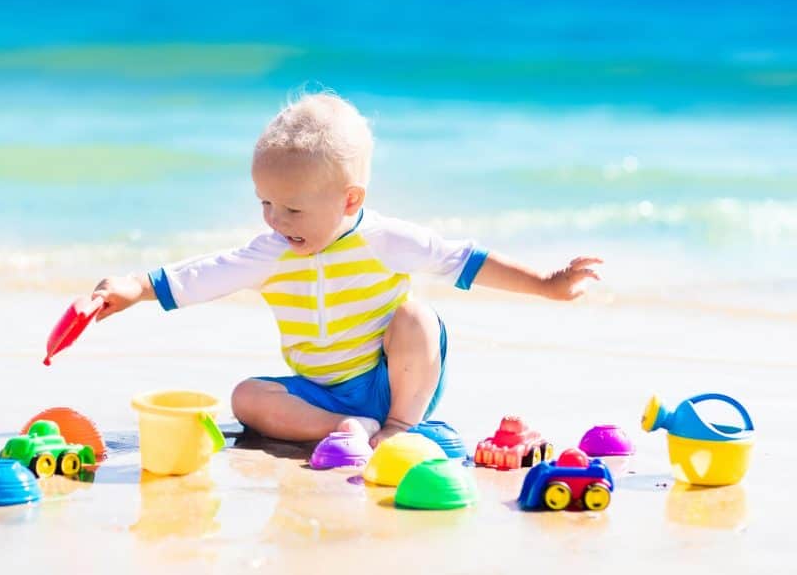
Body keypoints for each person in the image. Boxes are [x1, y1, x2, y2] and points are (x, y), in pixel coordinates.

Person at [92, 93, 601, 447]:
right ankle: (344, 428)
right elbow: (203, 275)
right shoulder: (271, 252)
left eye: (292, 210)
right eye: (265, 202)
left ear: (349, 199)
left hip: (389, 382)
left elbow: (464, 261)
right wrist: (136, 288)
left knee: (417, 318)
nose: (275, 219)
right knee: (246, 397)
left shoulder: (386, 240)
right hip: (316, 392)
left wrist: (546, 284)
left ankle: (400, 427)